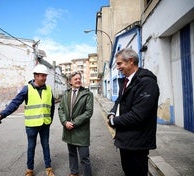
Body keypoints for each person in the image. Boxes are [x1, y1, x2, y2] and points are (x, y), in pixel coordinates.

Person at [107, 48, 160, 176]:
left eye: (119, 64)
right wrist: (112, 113)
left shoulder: (147, 83)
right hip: (126, 140)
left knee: (137, 172)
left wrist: (114, 121)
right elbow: (118, 102)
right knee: (128, 171)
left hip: (137, 142)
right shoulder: (126, 81)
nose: (118, 67)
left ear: (131, 61)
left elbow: (138, 115)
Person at [0, 64, 55, 176]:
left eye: (45, 76)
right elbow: (15, 103)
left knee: (46, 146)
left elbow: (52, 106)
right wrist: (2, 114)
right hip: (31, 125)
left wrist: (50, 119)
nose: (44, 78)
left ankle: (48, 168)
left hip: (45, 124)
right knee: (31, 147)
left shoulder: (49, 89)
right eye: (42, 76)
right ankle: (29, 170)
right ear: (35, 76)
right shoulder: (27, 88)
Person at [58, 72, 94, 176]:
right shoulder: (66, 94)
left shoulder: (87, 94)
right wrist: (64, 122)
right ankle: (74, 172)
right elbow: (60, 109)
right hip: (68, 129)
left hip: (81, 130)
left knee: (84, 157)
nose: (78, 80)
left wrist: (73, 123)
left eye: (79, 78)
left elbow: (88, 112)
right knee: (72, 154)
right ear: (70, 81)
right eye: (75, 79)